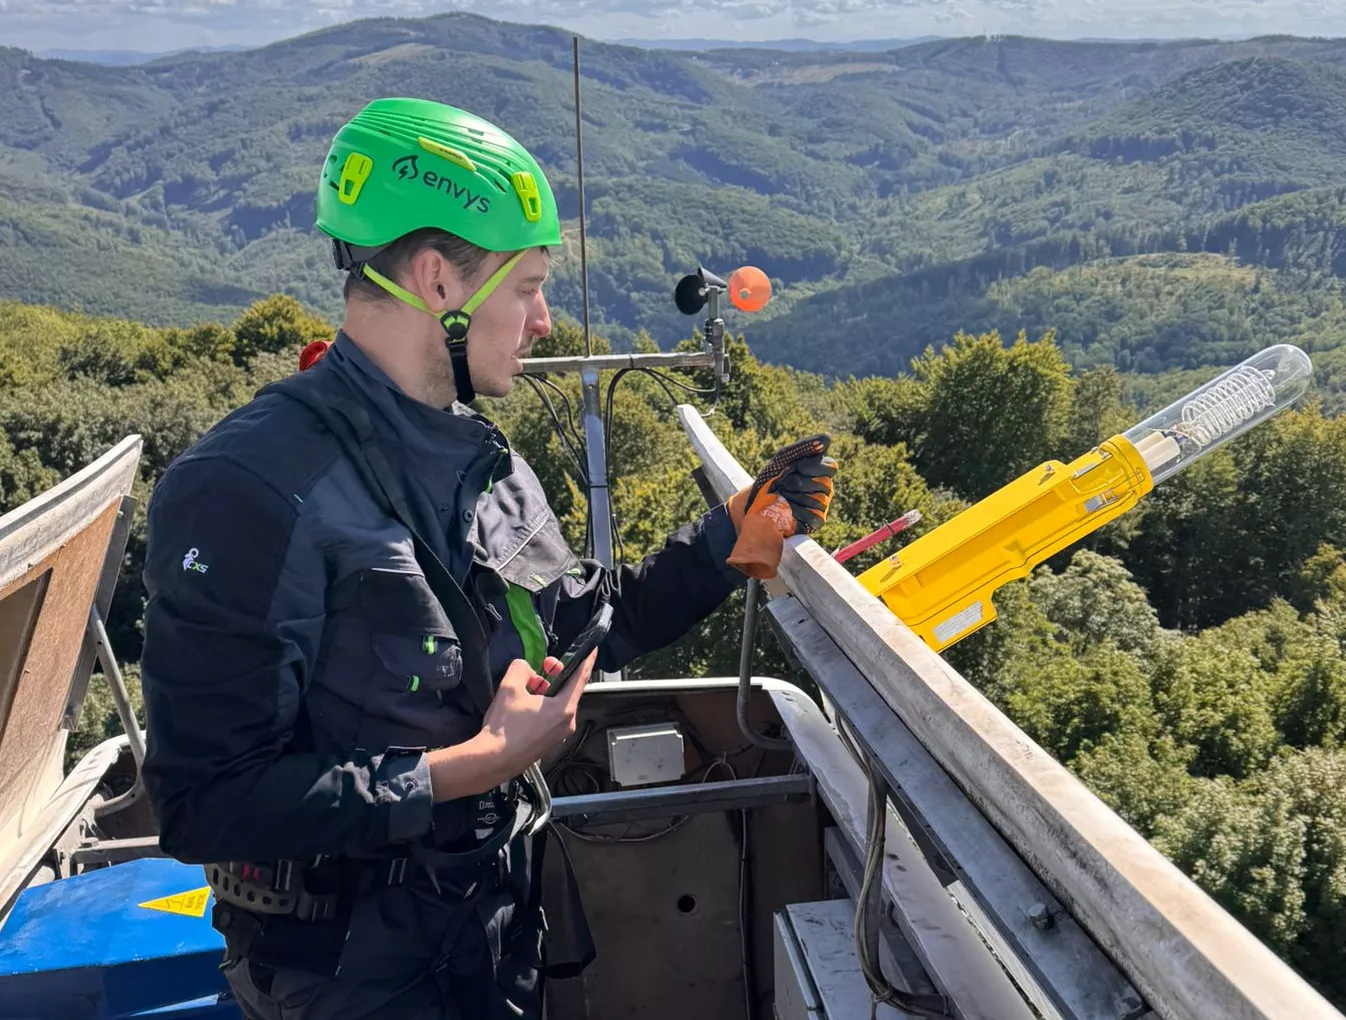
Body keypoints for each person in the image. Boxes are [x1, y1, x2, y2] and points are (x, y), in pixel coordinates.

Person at [137, 97, 837, 1020]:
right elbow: (205, 804)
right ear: (437, 281)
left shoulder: (479, 459)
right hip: (348, 980)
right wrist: (469, 767)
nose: (544, 321)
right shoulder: (250, 489)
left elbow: (577, 626)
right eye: (527, 285)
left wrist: (723, 545)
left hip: (490, 931)